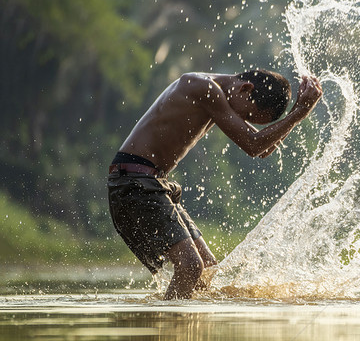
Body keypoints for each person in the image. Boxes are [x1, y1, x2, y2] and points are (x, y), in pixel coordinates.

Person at [108, 69, 323, 299]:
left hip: (153, 182)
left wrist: (297, 113)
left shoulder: (219, 94)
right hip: (133, 181)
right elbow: (254, 144)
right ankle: (167, 324)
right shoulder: (204, 88)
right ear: (246, 88)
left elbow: (263, 149)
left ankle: (185, 324)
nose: (243, 122)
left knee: (207, 268)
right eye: (247, 116)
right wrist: (300, 112)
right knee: (191, 265)